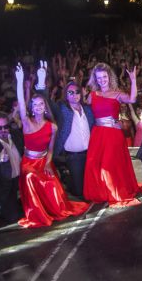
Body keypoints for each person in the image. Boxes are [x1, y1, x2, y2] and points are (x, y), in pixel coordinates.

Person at [14, 64, 89, 228]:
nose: (39, 106)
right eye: (35, 105)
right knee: (31, 177)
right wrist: (20, 81)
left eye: (41, 104)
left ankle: (52, 209)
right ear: (32, 108)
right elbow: (20, 103)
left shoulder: (52, 126)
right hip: (29, 163)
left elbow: (50, 149)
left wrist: (48, 162)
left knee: (52, 185)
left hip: (44, 161)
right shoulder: (27, 123)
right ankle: (38, 214)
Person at [84, 62, 142, 207]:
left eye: (104, 77)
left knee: (109, 164)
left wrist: (133, 80)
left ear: (109, 77)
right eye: (99, 78)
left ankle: (114, 192)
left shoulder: (117, 93)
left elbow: (132, 99)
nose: (102, 80)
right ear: (95, 79)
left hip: (113, 135)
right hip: (98, 135)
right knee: (97, 166)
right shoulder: (92, 95)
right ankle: (103, 193)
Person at [35, 61, 95, 198]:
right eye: (70, 92)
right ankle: (66, 180)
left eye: (77, 92)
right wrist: (41, 81)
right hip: (73, 157)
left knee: (91, 187)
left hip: (91, 155)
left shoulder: (87, 109)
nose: (74, 95)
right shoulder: (62, 108)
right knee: (80, 192)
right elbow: (46, 100)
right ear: (66, 95)